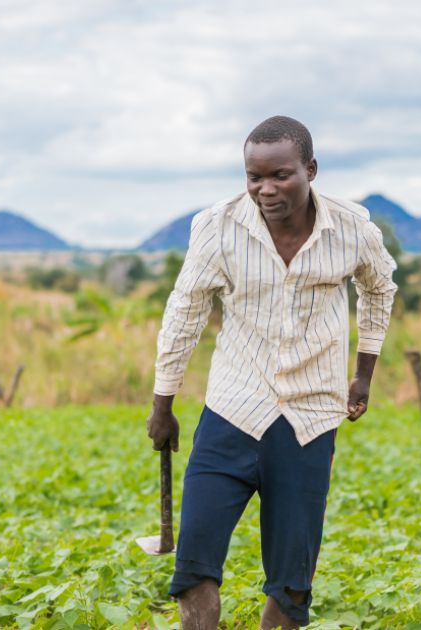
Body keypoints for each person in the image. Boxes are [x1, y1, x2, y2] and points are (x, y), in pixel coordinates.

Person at [146, 115, 397, 629]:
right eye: (253, 177)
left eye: (280, 175)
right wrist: (163, 404)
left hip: (310, 417)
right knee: (194, 564)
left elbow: (380, 289)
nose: (265, 189)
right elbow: (185, 312)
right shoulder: (218, 227)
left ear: (311, 169)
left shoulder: (353, 229)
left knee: (291, 580)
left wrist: (363, 373)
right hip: (232, 409)